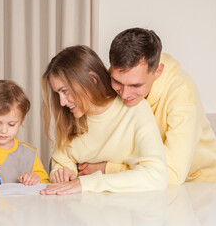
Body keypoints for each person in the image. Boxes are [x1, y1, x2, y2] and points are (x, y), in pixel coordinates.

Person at [78, 28, 216, 185]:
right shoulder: (114, 79)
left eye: (136, 85)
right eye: (118, 82)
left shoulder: (182, 92)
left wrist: (108, 168)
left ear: (158, 72)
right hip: (142, 182)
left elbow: (172, 175)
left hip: (197, 184)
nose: (125, 94)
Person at [40, 45, 167, 195]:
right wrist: (62, 172)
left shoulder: (136, 110)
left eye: (65, 91)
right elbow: (61, 160)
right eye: (58, 93)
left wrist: (86, 182)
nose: (62, 102)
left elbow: (156, 176)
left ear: (92, 79)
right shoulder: (70, 117)